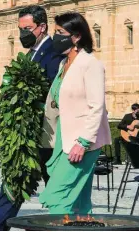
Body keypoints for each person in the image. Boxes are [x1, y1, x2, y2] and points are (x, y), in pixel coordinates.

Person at [0, 5, 64, 231]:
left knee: (55, 194)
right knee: (14, 188)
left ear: (42, 27)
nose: (23, 34)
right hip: (27, 138)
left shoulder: (54, 52)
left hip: (46, 135)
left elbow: (52, 91)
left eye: (27, 28)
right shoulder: (31, 53)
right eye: (20, 29)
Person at [39, 12, 111, 215]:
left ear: (77, 36)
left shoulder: (91, 64)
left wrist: (83, 142)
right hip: (64, 135)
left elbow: (97, 107)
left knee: (57, 194)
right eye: (55, 32)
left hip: (82, 141)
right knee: (79, 198)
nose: (56, 37)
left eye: (61, 32)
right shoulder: (64, 65)